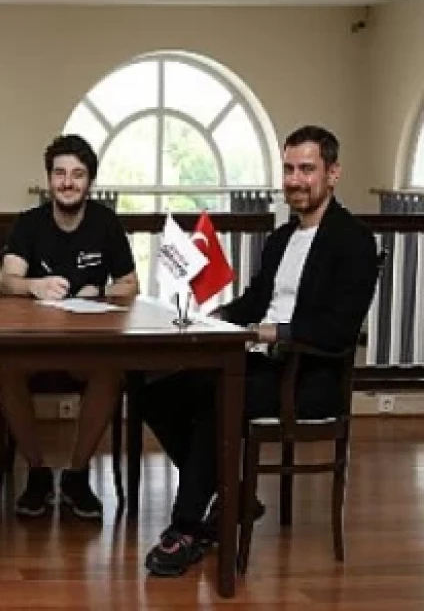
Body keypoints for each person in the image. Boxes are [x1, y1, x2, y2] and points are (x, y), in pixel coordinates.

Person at [141, 125, 379, 577]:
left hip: (310, 378)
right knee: (155, 389)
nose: (295, 180)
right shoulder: (282, 238)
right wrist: (210, 318)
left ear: (333, 174)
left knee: (219, 397)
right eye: (288, 169)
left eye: (306, 169)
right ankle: (232, 494)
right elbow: (252, 304)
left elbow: (339, 329)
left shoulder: (354, 241)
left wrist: (275, 333)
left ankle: (186, 528)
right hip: (260, 366)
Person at [0, 134, 138, 519]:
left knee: (110, 373)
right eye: (60, 173)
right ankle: (38, 473)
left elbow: (130, 284)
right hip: (32, 343)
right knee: (4, 372)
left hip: (86, 345)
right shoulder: (29, 223)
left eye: (77, 174)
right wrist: (34, 286)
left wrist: (103, 294)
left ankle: (76, 476)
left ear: (89, 181)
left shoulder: (106, 223)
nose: (68, 182)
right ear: (49, 179)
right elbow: (7, 282)